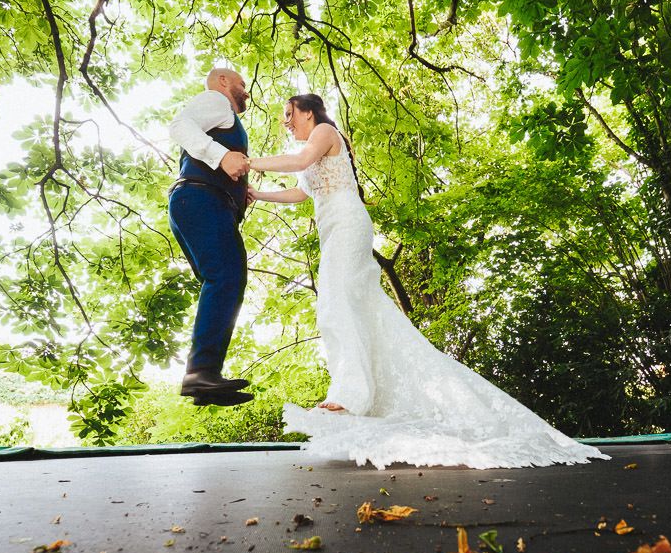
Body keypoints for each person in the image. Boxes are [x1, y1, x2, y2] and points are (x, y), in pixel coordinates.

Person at [248, 94, 607, 469]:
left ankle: (350, 395)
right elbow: (301, 192)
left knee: (335, 303)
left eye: (289, 115)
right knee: (354, 308)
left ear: (308, 111)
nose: (286, 122)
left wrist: (250, 162)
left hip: (349, 224)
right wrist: (259, 193)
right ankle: (356, 392)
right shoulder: (309, 146)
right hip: (331, 227)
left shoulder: (323, 131)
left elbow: (301, 161)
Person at [167, 67, 255, 407]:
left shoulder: (222, 118)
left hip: (199, 202)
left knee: (222, 280)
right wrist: (222, 157)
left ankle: (203, 378)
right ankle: (201, 371)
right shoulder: (217, 101)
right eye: (242, 84)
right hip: (200, 200)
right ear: (223, 82)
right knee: (227, 277)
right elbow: (179, 126)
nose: (245, 91)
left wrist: (238, 190)